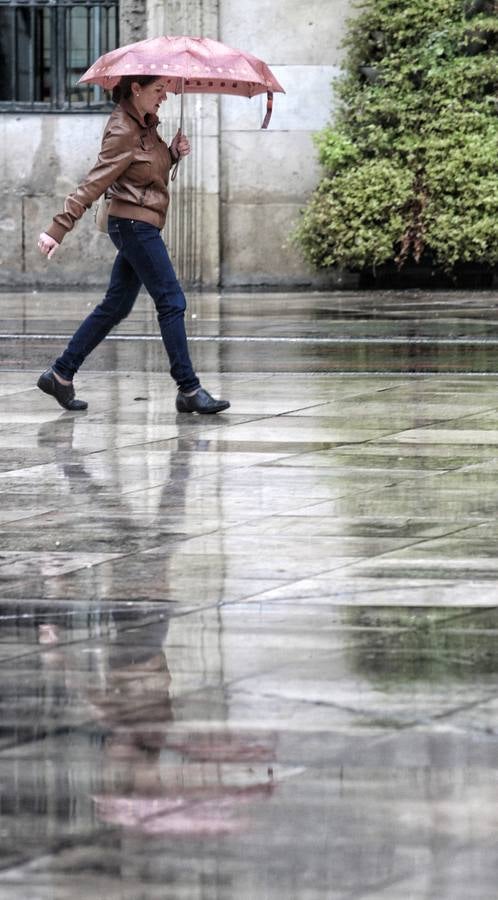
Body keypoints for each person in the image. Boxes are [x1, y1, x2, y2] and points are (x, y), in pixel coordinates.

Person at [36, 74, 230, 415]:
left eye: (166, 91)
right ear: (136, 89)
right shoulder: (122, 130)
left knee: (116, 305)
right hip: (132, 225)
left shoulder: (145, 125)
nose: (165, 97)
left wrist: (171, 153)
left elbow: (145, 172)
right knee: (171, 301)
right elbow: (94, 182)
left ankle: (61, 374)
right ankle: (188, 388)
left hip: (139, 224)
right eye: (159, 90)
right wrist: (58, 227)